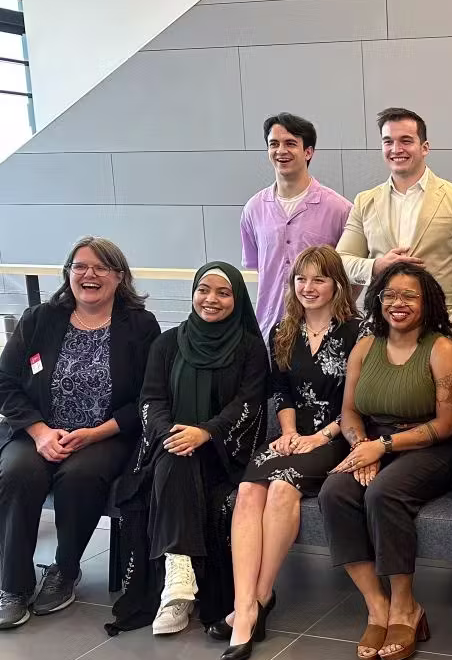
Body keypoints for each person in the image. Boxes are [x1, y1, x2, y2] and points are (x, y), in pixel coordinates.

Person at [0, 238, 160, 629]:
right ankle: (12, 586)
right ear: (68, 273)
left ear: (119, 277)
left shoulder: (140, 326)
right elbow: (5, 382)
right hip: (39, 432)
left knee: (80, 477)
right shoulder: (40, 319)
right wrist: (39, 433)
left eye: (101, 267)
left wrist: (92, 434)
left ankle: (65, 570)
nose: (89, 274)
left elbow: (149, 395)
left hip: (105, 436)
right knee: (18, 473)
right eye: (80, 266)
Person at [215, 246, 360, 660]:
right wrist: (291, 432)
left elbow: (360, 402)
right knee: (248, 490)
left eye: (319, 279)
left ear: (337, 284)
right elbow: (279, 389)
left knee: (281, 488)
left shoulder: (358, 331)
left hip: (338, 437)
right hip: (294, 436)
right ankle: (247, 604)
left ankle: (255, 603)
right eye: (301, 279)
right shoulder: (283, 328)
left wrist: (319, 437)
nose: (309, 287)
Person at [318, 262, 452, 660]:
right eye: (390, 295)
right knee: (334, 491)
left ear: (428, 302)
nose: (398, 303)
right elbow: (348, 411)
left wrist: (382, 447)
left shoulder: (441, 348)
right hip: (372, 441)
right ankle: (376, 605)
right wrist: (362, 445)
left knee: (383, 492)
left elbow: (447, 422)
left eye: (409, 296)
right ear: (378, 299)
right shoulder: (366, 346)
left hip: (432, 446)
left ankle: (406, 608)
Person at [138, 263, 268, 636]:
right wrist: (171, 434)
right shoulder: (167, 343)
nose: (211, 299)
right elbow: (151, 400)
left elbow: (249, 404)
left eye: (223, 293)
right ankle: (179, 578)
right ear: (193, 293)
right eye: (203, 290)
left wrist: (206, 432)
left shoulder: (249, 349)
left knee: (181, 458)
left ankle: (178, 585)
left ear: (237, 298)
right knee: (176, 458)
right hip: (172, 445)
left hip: (225, 451)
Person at [337, 108, 452, 338]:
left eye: (405, 141)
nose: (396, 149)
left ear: (425, 147)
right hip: (383, 329)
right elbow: (340, 261)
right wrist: (376, 266)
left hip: (442, 328)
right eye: (388, 141)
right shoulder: (365, 202)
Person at [241, 113, 352, 335]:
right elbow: (258, 268)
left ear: (308, 152)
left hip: (322, 332)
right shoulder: (253, 209)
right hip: (268, 328)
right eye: (274, 144)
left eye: (291, 143)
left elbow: (352, 274)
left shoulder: (340, 209)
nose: (281, 151)